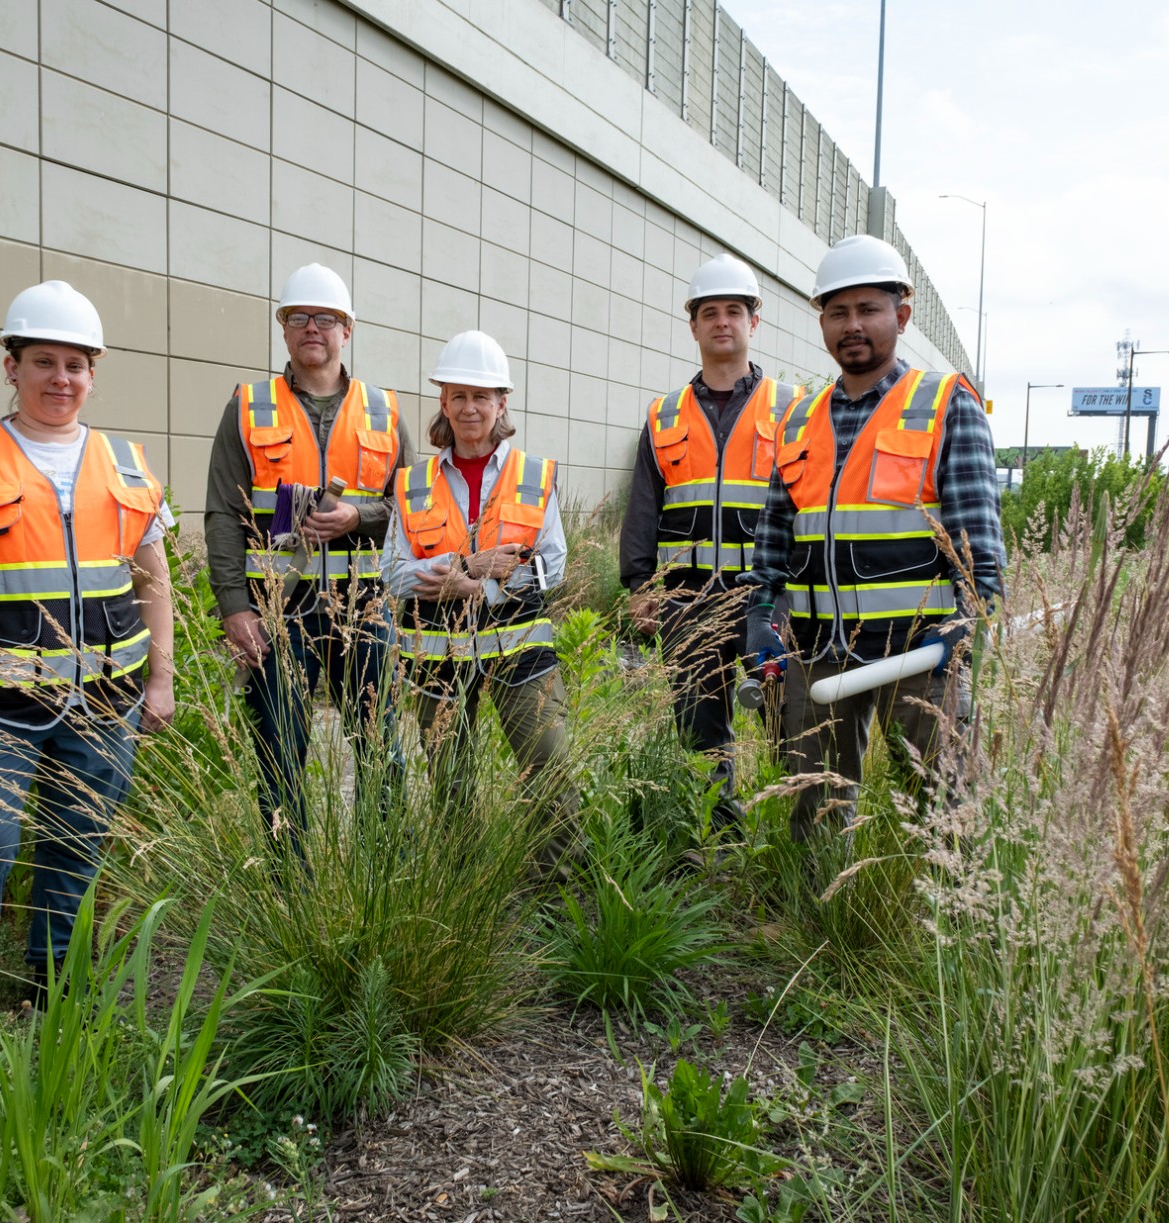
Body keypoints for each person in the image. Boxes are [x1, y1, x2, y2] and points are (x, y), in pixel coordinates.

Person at [0, 280, 175, 1035]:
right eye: (43, 360)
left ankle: (57, 987)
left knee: (76, 850)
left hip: (105, 702)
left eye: (76, 364)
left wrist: (163, 676)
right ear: (10, 365)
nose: (61, 378)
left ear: (93, 373)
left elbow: (154, 576)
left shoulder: (127, 461)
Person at [740, 235, 1004, 842]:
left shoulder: (944, 403)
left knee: (944, 813)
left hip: (921, 653)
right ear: (823, 321)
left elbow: (980, 551)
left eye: (868, 310)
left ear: (901, 316)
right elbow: (777, 537)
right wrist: (761, 612)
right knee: (816, 811)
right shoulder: (799, 418)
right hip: (817, 651)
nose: (852, 325)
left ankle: (951, 932)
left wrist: (964, 630)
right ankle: (813, 923)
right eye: (838, 312)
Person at [202, 264, 412, 857]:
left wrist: (359, 518)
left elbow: (416, 511)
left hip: (365, 605)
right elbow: (222, 514)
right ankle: (289, 884)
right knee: (279, 749)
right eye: (299, 318)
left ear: (347, 330)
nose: (311, 327)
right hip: (279, 609)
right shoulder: (248, 407)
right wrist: (235, 608)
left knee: (380, 744)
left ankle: (386, 866)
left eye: (326, 318)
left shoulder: (384, 411)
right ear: (285, 329)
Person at [383, 331, 577, 876]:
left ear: (501, 404)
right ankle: (464, 886)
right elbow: (393, 575)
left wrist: (495, 581)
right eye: (459, 396)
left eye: (482, 397)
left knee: (548, 767)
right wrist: (462, 570)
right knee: (451, 782)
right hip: (437, 656)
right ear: (443, 402)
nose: (470, 408)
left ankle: (557, 886)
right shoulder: (412, 482)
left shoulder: (534, 476)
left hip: (521, 649)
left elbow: (553, 565)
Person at [619, 253, 801, 834]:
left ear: (755, 322)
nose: (722, 321)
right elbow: (643, 504)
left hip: (768, 597)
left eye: (734, 311)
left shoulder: (794, 408)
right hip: (686, 599)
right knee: (700, 730)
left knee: (789, 720)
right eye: (709, 312)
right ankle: (718, 842)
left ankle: (793, 840)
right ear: (693, 324)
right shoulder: (664, 414)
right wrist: (638, 584)